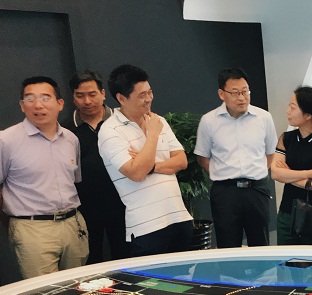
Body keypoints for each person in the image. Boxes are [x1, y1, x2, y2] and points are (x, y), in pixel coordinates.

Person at [98, 64, 193, 257]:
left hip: (179, 216)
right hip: (147, 226)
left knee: (185, 275)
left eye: (149, 92)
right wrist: (153, 135)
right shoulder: (110, 131)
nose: (149, 98)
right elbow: (136, 173)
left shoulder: (158, 120)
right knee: (151, 277)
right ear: (121, 98)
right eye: (141, 95)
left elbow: (181, 161)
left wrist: (152, 166)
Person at [0, 76, 88, 278]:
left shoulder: (71, 139)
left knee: (78, 287)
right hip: (32, 228)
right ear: (22, 106)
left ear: (60, 104)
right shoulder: (6, 141)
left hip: (73, 224)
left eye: (45, 98)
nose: (38, 105)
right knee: (45, 291)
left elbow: (74, 181)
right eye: (30, 99)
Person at [195, 68, 278, 248]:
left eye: (245, 91)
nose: (242, 98)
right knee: (228, 245)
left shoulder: (264, 118)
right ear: (221, 94)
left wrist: (257, 171)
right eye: (235, 93)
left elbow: (270, 152)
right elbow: (202, 157)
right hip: (225, 192)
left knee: (261, 245)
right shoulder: (209, 121)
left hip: (256, 190)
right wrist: (221, 173)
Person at [63, 70, 129, 263]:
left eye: (92, 94)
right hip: (85, 207)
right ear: (73, 97)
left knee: (126, 257)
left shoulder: (123, 121)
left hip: (123, 202)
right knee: (91, 260)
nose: (87, 101)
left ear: (103, 93)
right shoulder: (65, 129)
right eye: (80, 95)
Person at [271, 86, 312, 245]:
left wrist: (289, 175)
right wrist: (309, 174)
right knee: (286, 259)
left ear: (308, 115)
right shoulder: (286, 138)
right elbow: (275, 173)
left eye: (293, 108)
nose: (287, 111)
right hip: (287, 213)